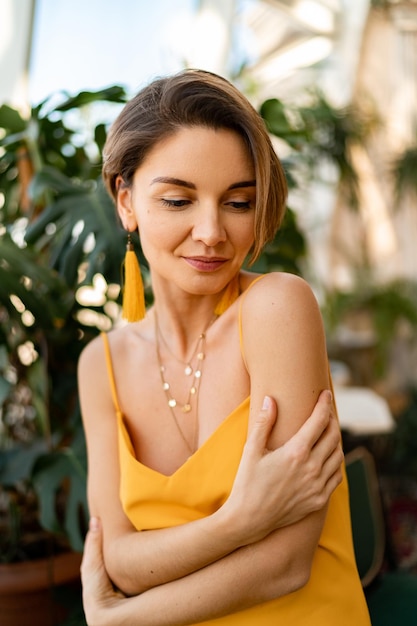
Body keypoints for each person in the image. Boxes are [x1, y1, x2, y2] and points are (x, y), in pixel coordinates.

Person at [78, 69, 371, 625]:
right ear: (126, 201)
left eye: (237, 202)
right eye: (177, 200)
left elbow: (285, 564)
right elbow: (121, 561)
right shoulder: (102, 365)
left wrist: (120, 620)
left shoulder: (277, 308)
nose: (211, 231)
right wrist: (239, 520)